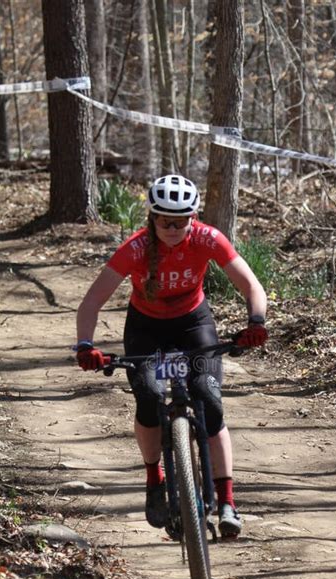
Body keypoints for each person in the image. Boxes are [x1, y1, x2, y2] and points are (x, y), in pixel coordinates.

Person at [75, 174, 268, 539]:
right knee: (148, 397)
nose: (174, 228)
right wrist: (86, 345)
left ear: (193, 218)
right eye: (166, 221)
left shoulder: (208, 239)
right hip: (145, 330)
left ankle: (227, 500)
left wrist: (256, 321)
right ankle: (154, 480)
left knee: (209, 398)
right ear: (152, 218)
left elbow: (252, 285)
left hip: (193, 325)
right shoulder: (134, 248)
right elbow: (91, 303)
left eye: (182, 221)